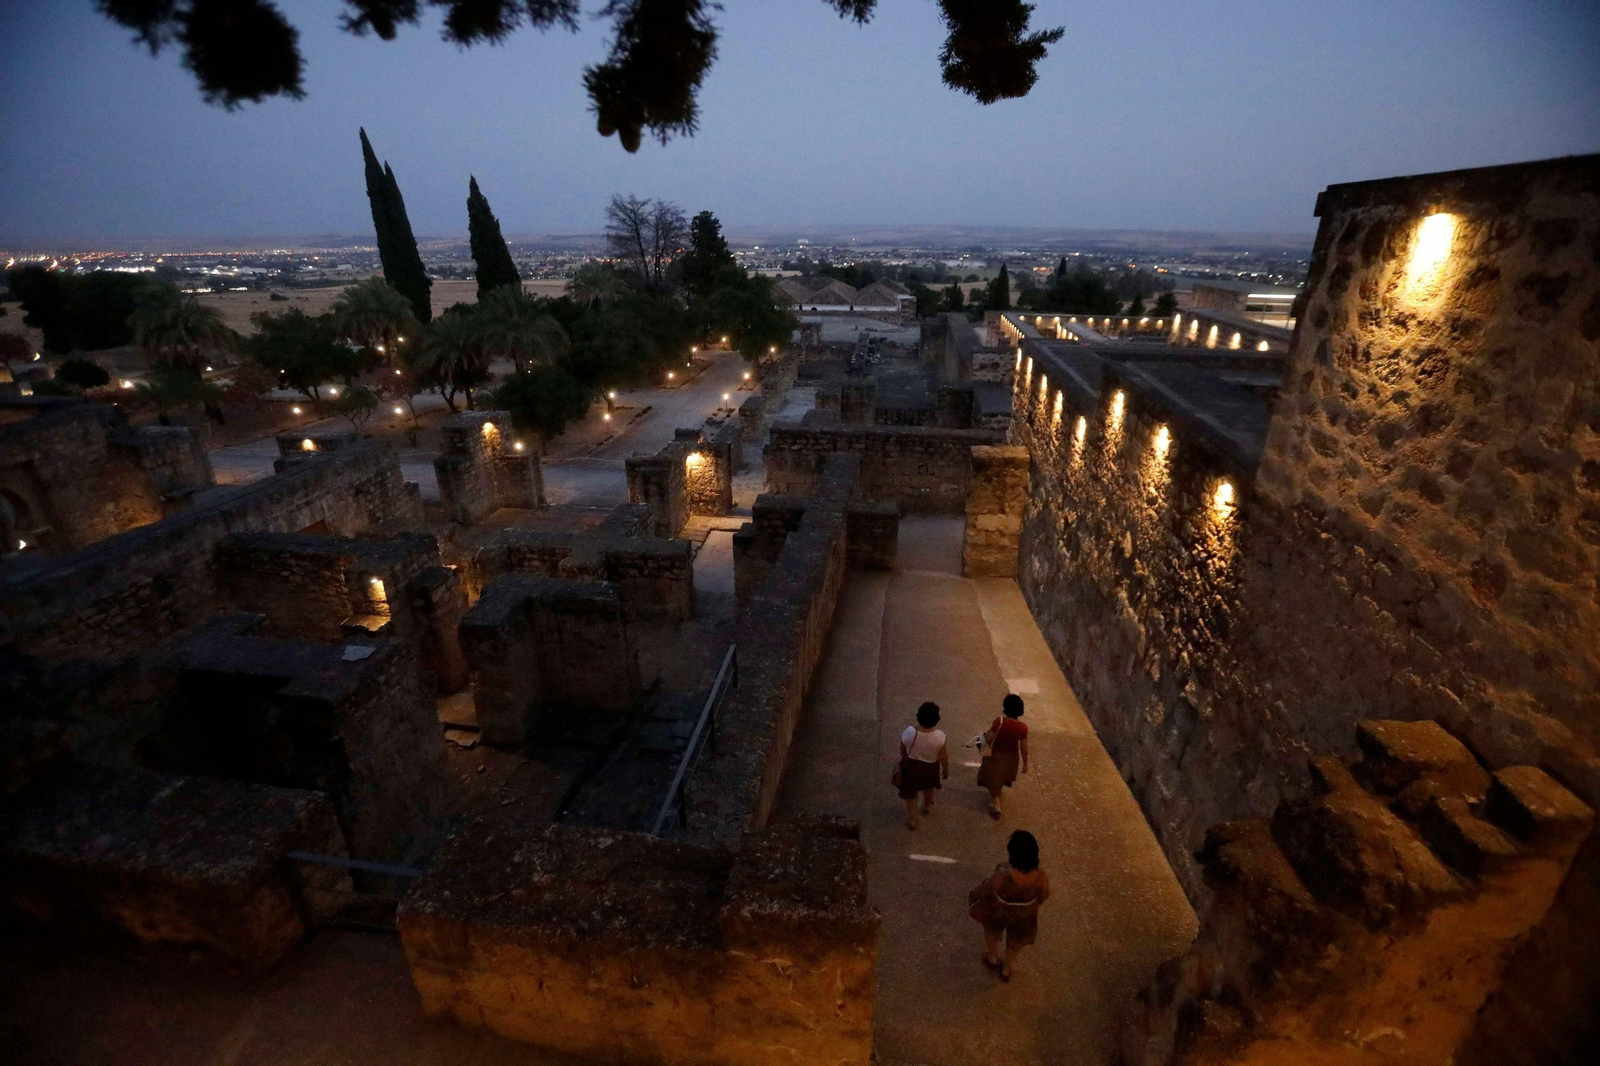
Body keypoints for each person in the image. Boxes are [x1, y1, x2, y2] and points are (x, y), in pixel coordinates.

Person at [969, 829, 1051, 982]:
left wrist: (974, 895)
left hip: (998, 910)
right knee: (1016, 942)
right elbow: (1044, 894)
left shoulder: (1003, 873)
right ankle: (1006, 968)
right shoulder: (1040, 876)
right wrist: (1036, 902)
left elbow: (989, 887)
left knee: (992, 932)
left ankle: (992, 957)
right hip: (1025, 914)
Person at [897, 701, 949, 830]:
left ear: (918, 716)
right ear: (937, 719)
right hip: (930, 768)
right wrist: (946, 769)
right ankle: (927, 806)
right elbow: (943, 756)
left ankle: (913, 819)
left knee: (910, 794)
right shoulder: (940, 736)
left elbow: (902, 748)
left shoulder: (910, 732)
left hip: (911, 768)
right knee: (928, 787)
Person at [977, 693, 1029, 818]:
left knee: (991, 779)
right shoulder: (1022, 728)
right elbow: (1023, 747)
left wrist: (982, 740)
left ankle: (996, 803)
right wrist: (1025, 763)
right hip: (1011, 758)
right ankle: (998, 793)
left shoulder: (999, 722)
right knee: (1001, 778)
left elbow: (989, 737)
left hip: (996, 756)